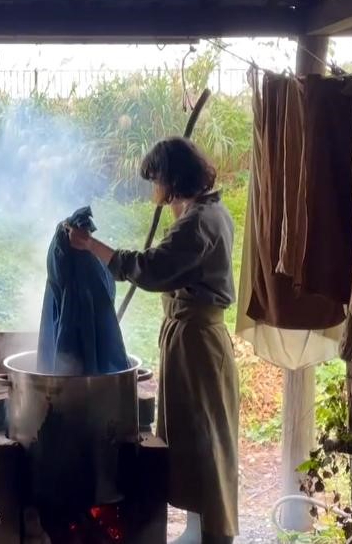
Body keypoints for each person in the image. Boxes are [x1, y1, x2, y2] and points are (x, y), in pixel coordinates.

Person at [66, 138, 239, 544]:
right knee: (196, 439)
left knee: (205, 439)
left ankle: (214, 534)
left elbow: (150, 269)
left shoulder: (198, 223)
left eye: (156, 180)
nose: (153, 190)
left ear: (172, 180)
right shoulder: (205, 212)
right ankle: (201, 529)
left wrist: (91, 245)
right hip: (194, 341)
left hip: (198, 345)